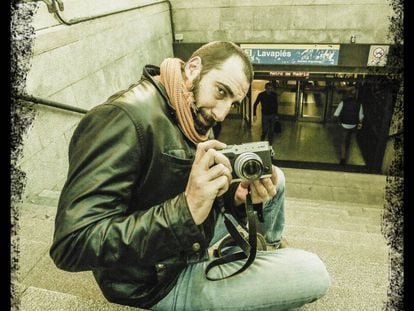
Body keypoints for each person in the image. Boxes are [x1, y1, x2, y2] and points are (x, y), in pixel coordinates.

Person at [50, 41, 331, 310]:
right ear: (194, 68)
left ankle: (268, 247)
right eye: (221, 91)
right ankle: (263, 261)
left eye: (233, 103)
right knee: (312, 272)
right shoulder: (121, 120)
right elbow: (72, 244)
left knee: (275, 177)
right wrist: (186, 210)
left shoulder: (186, 110)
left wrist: (237, 198)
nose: (222, 114)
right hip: (158, 281)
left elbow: (175, 187)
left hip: (187, 238)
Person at [334, 87, 364, 165]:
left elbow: (336, 114)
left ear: (347, 94)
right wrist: (360, 124)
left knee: (343, 141)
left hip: (344, 124)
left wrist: (339, 123)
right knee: (349, 140)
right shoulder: (359, 103)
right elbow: (361, 116)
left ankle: (343, 158)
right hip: (353, 125)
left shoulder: (343, 102)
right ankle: (347, 152)